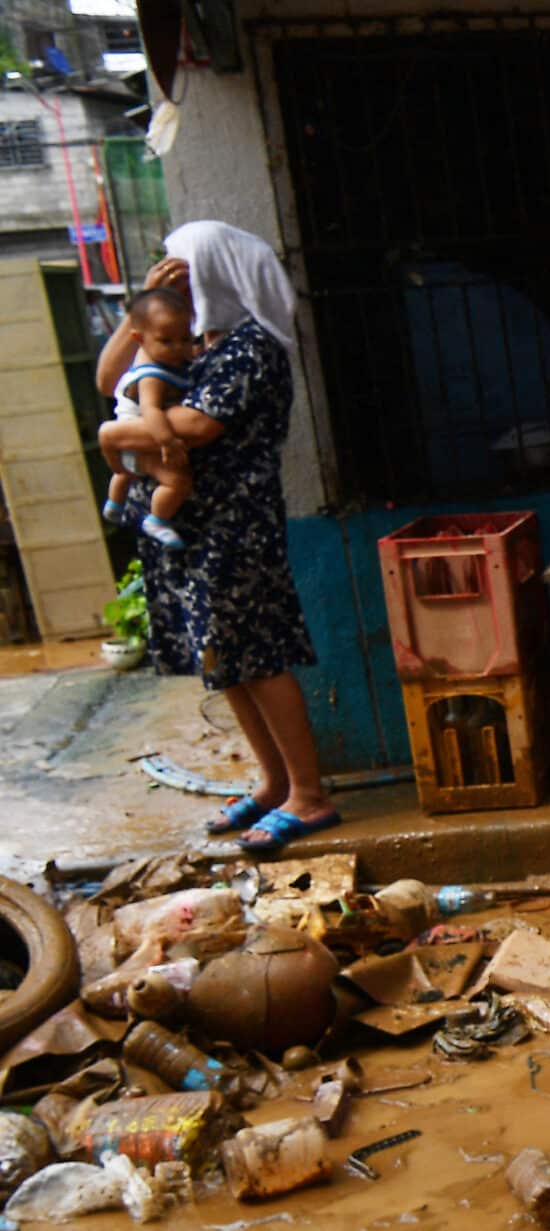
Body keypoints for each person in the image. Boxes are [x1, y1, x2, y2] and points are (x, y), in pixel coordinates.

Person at [96, 223, 337, 858]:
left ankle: (308, 796)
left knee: (257, 652)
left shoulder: (252, 345)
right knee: (224, 656)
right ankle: (275, 782)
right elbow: (110, 381)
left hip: (235, 522)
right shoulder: (192, 345)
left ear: (218, 272)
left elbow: (199, 424)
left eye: (185, 269)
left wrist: (119, 432)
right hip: (194, 528)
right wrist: (138, 315)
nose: (176, 279)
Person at [95, 287, 198, 549]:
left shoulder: (169, 362)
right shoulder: (151, 374)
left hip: (129, 441)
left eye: (185, 339)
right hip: (139, 439)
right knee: (178, 482)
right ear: (139, 339)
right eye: (166, 341)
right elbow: (151, 411)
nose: (178, 348)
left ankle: (115, 504)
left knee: (126, 473)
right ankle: (157, 519)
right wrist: (168, 442)